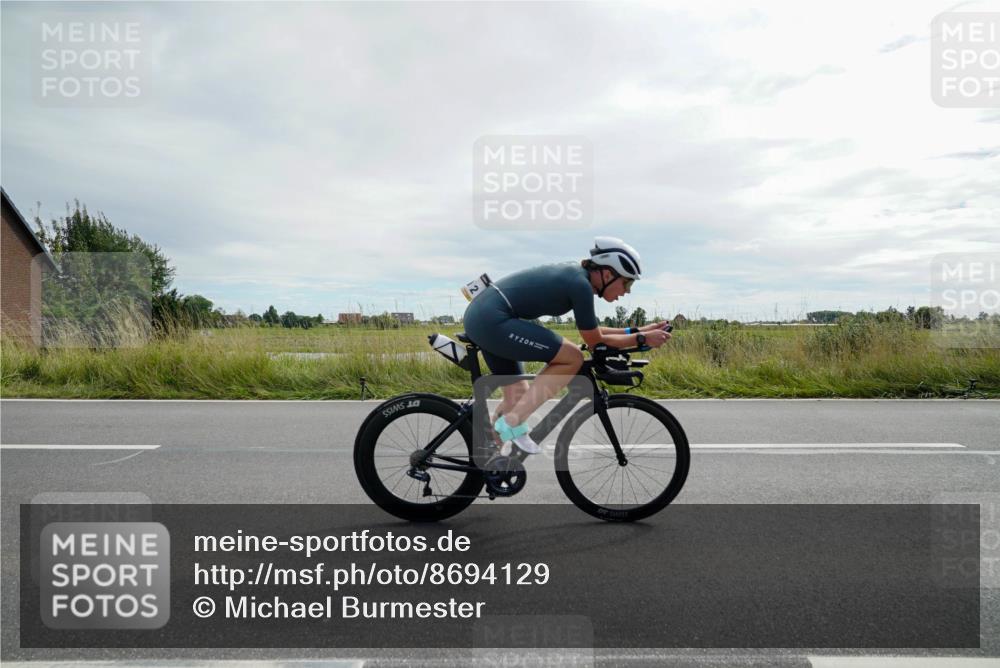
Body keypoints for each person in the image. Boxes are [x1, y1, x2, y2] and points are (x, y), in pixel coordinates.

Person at [462, 237, 672, 454]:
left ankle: (490, 456)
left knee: (517, 396)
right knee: (572, 357)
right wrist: (642, 340)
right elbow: (594, 341)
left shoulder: (578, 278)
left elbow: (595, 333)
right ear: (608, 274)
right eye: (627, 282)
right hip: (491, 320)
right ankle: (512, 424)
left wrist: (641, 331)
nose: (627, 291)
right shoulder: (579, 284)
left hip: (484, 317)